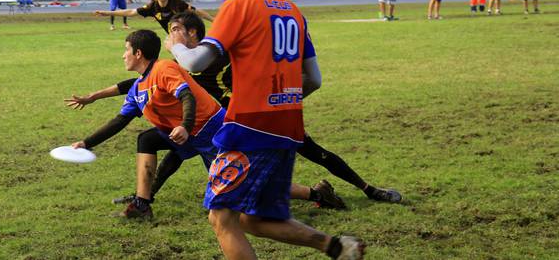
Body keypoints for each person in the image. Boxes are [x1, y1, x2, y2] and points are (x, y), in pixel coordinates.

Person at [70, 11, 400, 209]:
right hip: (214, 127)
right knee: (165, 145)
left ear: (193, 33)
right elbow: (138, 87)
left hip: (246, 121)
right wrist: (95, 98)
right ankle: (144, 201)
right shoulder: (178, 63)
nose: (170, 38)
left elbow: (263, 74)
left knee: (306, 153)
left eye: (174, 31)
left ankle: (360, 189)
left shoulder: (218, 55)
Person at [168, 0, 365, 259]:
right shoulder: (293, 11)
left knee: (222, 217)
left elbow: (195, 62)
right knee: (255, 219)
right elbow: (313, 79)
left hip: (249, 127)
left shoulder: (238, 4)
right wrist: (281, 99)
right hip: (288, 127)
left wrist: (176, 45)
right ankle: (335, 246)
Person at [70, 30, 226, 219]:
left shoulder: (164, 68)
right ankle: (141, 204)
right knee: (147, 139)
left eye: (126, 49)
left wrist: (184, 125)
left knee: (231, 194)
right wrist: (86, 143)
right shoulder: (138, 88)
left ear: (138, 53)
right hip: (186, 133)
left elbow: (187, 96)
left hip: (212, 130)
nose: (123, 55)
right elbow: (120, 121)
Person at [95, 0, 214, 32]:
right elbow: (131, 12)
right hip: (175, 37)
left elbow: (198, 12)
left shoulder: (178, 4)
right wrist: (108, 12)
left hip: (190, 34)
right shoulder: (152, 7)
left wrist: (214, 21)